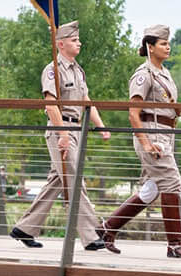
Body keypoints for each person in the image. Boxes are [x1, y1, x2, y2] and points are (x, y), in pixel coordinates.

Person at [97, 25, 181, 258]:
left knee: (152, 189)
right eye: (163, 43)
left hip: (165, 135)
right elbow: (133, 113)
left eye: (168, 43)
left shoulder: (164, 73)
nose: (168, 47)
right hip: (151, 135)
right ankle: (176, 244)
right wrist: (144, 143)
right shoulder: (143, 75)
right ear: (150, 47)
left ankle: (107, 228)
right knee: (172, 183)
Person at [9, 21, 111, 250]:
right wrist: (62, 134)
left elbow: (86, 101)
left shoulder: (77, 70)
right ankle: (91, 235)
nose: (79, 43)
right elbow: (51, 104)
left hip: (75, 128)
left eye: (78, 39)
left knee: (58, 180)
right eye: (74, 40)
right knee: (74, 180)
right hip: (60, 130)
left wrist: (102, 126)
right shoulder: (53, 70)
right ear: (61, 44)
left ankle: (24, 228)